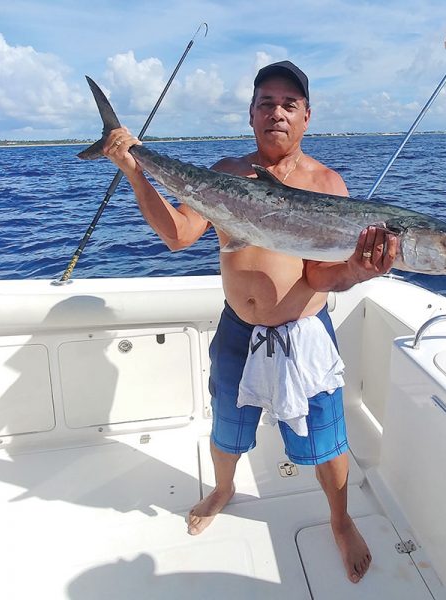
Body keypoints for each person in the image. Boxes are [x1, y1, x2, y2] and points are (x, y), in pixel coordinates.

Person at [103, 60, 397, 584]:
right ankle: (223, 489)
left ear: (307, 115)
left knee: (327, 440)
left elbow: (320, 276)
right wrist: (134, 170)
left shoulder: (328, 184)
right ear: (251, 114)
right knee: (226, 428)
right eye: (266, 103)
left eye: (289, 105)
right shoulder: (225, 173)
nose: (277, 114)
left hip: (304, 335)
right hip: (239, 331)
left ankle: (340, 517)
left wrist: (355, 269)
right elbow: (178, 236)